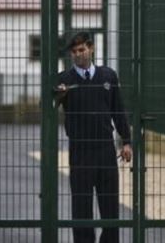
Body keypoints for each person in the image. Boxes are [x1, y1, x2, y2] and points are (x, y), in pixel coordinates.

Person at [55, 32, 132, 243]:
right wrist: (58, 96)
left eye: (81, 50)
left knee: (110, 207)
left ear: (91, 49)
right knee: (81, 207)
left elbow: (118, 110)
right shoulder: (64, 79)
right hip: (80, 153)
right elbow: (48, 107)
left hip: (106, 151)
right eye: (74, 52)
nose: (78, 55)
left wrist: (126, 141)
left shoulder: (108, 76)